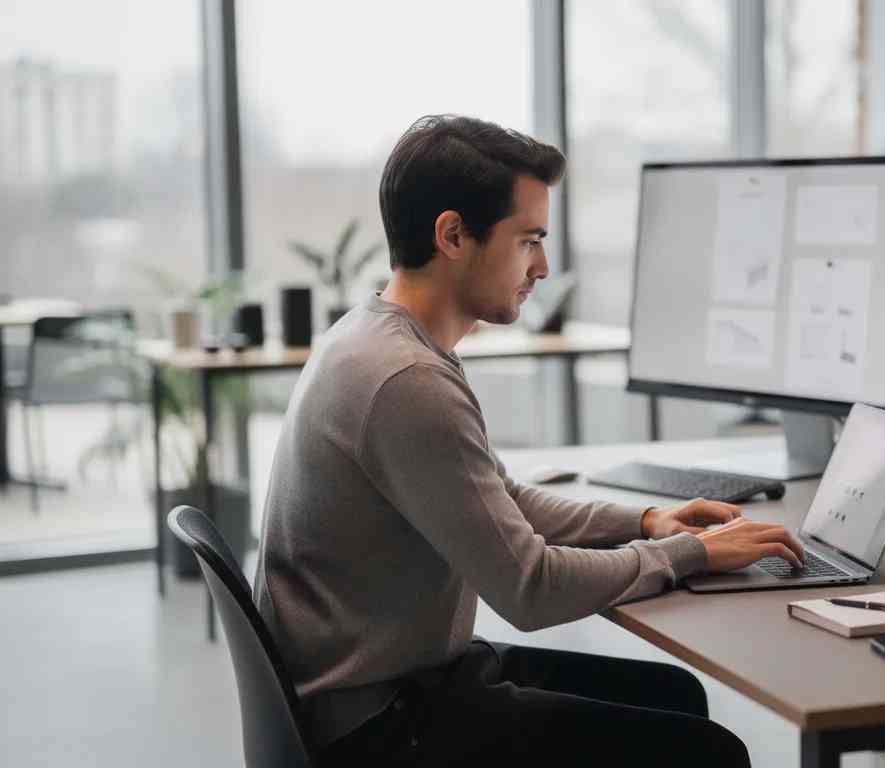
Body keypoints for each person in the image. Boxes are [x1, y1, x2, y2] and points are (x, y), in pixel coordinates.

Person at [254, 114, 806, 767]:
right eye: (529, 240)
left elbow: (499, 499)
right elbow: (531, 588)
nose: (543, 266)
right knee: (707, 753)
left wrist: (651, 520)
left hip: (392, 685)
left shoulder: (378, 336)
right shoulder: (406, 381)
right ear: (453, 235)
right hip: (381, 726)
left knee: (673, 693)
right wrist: (690, 555)